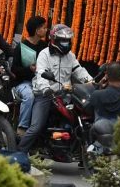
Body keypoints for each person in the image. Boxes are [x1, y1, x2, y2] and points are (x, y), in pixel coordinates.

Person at [19, 24, 93, 153]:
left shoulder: (70, 56)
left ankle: (80, 154)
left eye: (67, 41)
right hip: (45, 94)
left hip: (65, 94)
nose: (65, 44)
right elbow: (41, 73)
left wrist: (91, 82)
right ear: (54, 40)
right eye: (62, 41)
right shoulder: (44, 55)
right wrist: (46, 88)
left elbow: (79, 71)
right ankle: (20, 152)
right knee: (36, 126)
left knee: (80, 118)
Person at [89, 62, 120, 154]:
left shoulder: (97, 95)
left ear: (107, 76)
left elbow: (89, 108)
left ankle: (89, 154)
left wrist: (98, 87)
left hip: (102, 130)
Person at [10, 16, 47, 136]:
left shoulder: (45, 47)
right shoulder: (21, 47)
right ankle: (22, 128)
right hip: (24, 82)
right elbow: (14, 69)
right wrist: (28, 69)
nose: (46, 30)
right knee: (29, 96)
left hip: (41, 81)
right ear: (37, 30)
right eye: (43, 28)